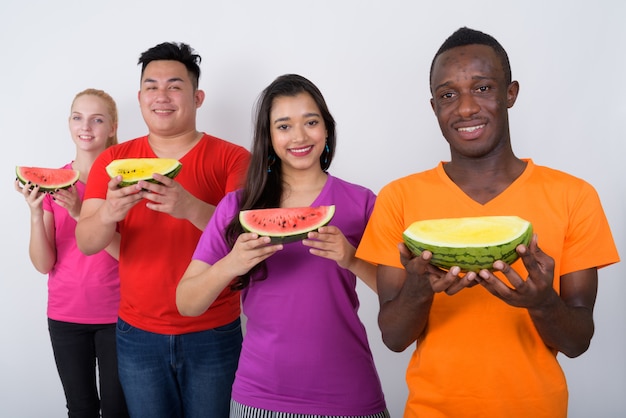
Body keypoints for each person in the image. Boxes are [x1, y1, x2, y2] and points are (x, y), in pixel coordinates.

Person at [356, 27, 620, 418]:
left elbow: (578, 341)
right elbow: (394, 338)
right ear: (434, 107)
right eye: (448, 95)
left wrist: (544, 302)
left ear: (510, 93)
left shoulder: (575, 196)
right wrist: (417, 290)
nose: (465, 108)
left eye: (482, 88)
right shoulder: (399, 197)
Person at [176, 74, 389, 417]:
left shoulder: (361, 202)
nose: (300, 136)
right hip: (260, 395)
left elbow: (401, 294)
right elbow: (186, 302)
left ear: (327, 129)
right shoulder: (237, 208)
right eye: (284, 126)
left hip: (349, 391)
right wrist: (233, 262)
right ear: (269, 136)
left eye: (311, 122)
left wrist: (351, 259)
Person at [75, 42, 251, 418]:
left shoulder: (233, 158)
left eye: (174, 86)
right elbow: (87, 242)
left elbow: (243, 240)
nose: (162, 96)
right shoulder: (113, 160)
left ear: (197, 96)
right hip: (137, 334)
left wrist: (190, 208)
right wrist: (108, 213)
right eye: (151, 86)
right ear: (140, 97)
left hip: (214, 330)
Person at [15, 89, 128, 417]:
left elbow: (130, 256)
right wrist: (36, 213)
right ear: (68, 124)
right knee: (79, 408)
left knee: (118, 409)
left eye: (97, 119)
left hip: (119, 315)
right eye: (78, 117)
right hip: (64, 316)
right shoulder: (54, 186)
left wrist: (82, 213)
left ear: (112, 126)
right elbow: (43, 264)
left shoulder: (124, 184)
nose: (86, 126)